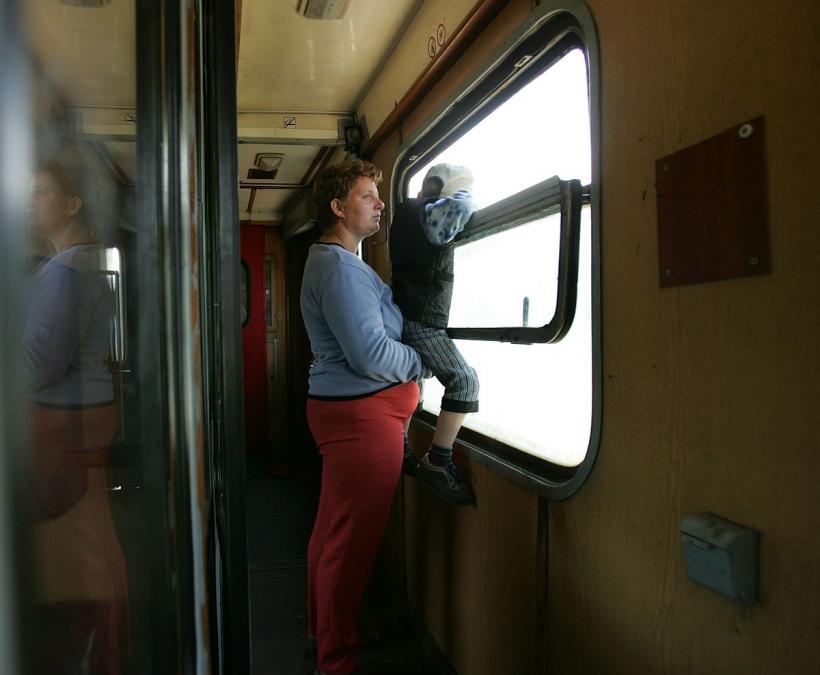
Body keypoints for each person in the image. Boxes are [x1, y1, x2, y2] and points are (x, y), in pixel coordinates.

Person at [301, 159, 424, 675]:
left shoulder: (339, 263)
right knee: (349, 546)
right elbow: (370, 355)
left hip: (351, 415)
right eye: (369, 194)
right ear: (338, 207)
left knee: (333, 532)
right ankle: (336, 660)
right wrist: (421, 364)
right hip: (360, 419)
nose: (379, 203)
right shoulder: (338, 267)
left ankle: (327, 629)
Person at [24, 158, 131, 674]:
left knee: (72, 549)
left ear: (72, 204)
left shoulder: (64, 272)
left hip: (64, 419)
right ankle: (111, 646)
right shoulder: (85, 264)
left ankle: (96, 652)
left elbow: (36, 366)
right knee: (94, 538)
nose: (28, 204)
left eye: (39, 193)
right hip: (88, 412)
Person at [389, 163, 479, 506]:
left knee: (414, 384)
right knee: (465, 382)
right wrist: (464, 189)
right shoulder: (427, 215)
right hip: (422, 320)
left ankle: (400, 451)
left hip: (405, 315)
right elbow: (460, 209)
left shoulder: (405, 215)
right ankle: (438, 461)